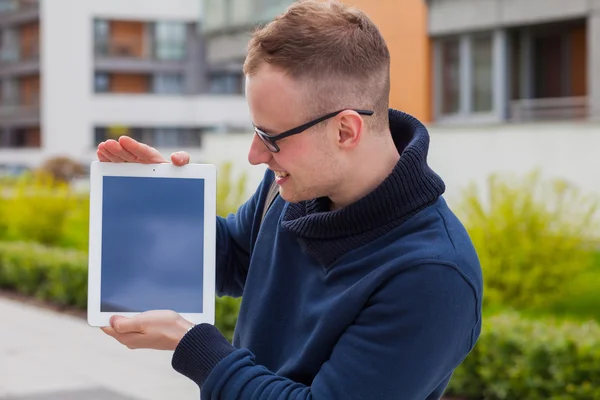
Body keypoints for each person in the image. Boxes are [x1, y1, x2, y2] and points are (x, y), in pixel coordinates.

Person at [98, 1, 483, 398]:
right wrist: (168, 201)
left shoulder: (433, 276)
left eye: (271, 138)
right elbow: (235, 257)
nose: (255, 155)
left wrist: (195, 346)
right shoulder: (291, 185)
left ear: (345, 131)